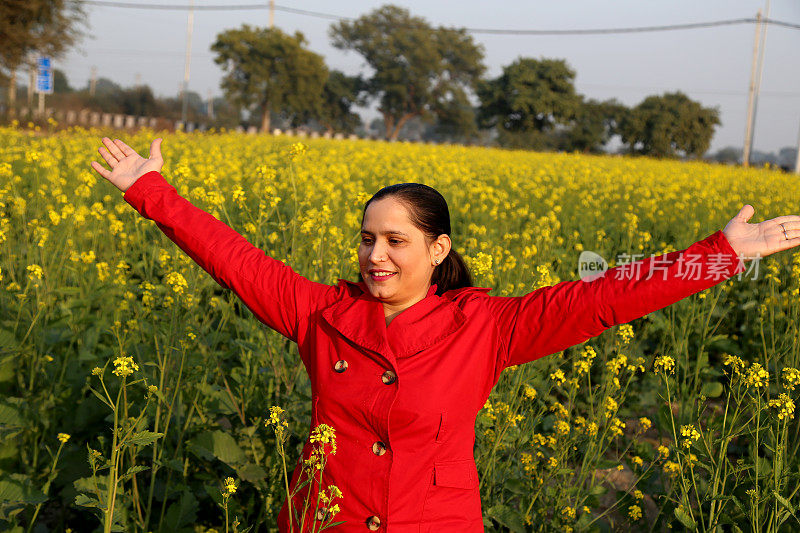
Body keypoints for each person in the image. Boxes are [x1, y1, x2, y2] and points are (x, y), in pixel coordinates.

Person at [91, 136, 799, 532]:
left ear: (437, 249)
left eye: (395, 240)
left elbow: (601, 298)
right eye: (367, 239)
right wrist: (150, 189)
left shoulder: (485, 326)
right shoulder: (320, 314)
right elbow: (234, 258)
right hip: (321, 522)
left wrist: (722, 254)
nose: (375, 256)